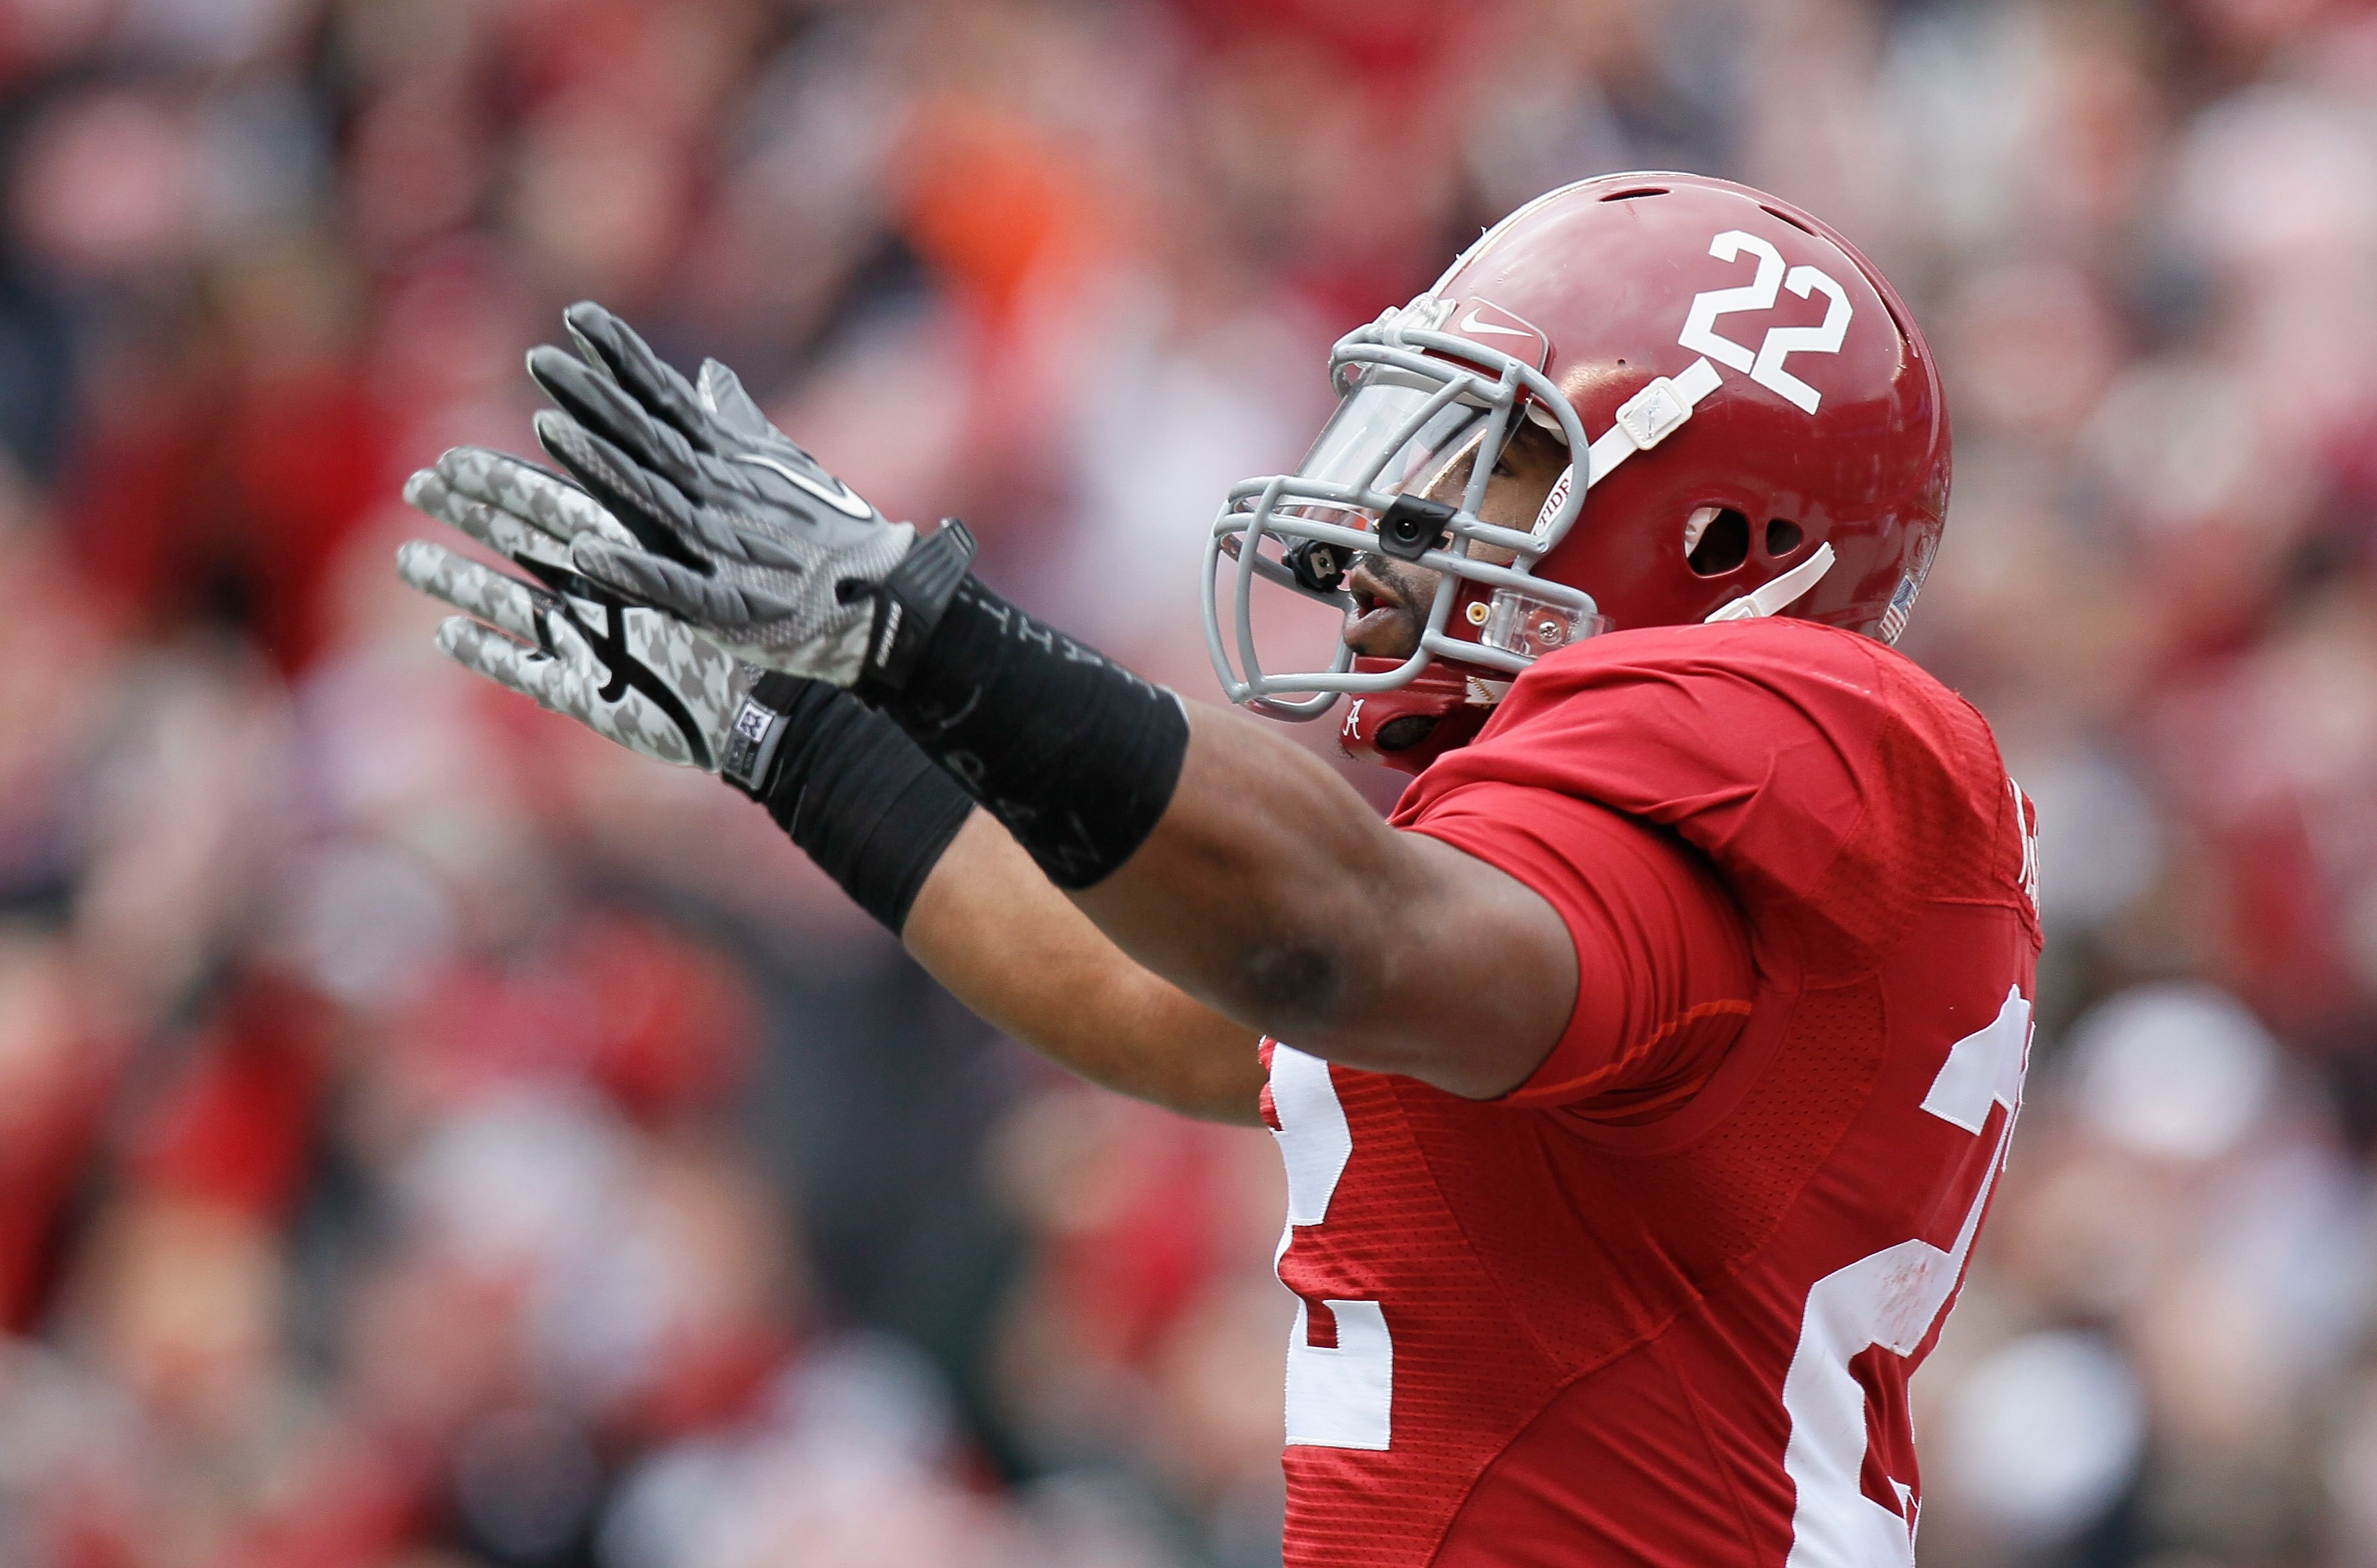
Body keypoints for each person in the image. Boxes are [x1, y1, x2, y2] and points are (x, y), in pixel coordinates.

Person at [397, 172, 2042, 1567]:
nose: (1399, 515)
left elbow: (1320, 933)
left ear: (1721, 538)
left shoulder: (1806, 743)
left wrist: (917, 625)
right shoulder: (1575, 915)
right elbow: (1159, 993)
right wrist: (794, 732)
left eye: (1500, 453)